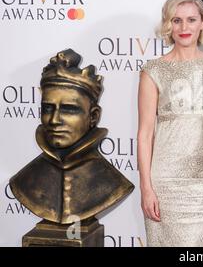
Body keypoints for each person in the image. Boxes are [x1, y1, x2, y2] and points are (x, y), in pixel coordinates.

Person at [137, 0, 203, 246]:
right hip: (166, 183)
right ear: (168, 24)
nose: (184, 27)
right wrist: (146, 188)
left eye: (191, 19)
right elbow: (144, 134)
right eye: (177, 20)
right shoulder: (153, 70)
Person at [9, 49, 134, 224]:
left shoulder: (113, 184)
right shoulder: (23, 182)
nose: (54, 120)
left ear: (93, 116)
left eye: (69, 110)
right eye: (47, 109)